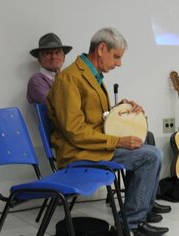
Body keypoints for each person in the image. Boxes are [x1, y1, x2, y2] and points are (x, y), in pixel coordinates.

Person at [47, 28, 169, 236]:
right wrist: (118, 141)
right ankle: (129, 223)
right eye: (116, 57)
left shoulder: (92, 75)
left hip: (91, 146)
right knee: (151, 156)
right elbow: (75, 131)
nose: (119, 63)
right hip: (78, 151)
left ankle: (144, 212)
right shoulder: (69, 79)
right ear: (102, 48)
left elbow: (95, 116)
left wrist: (121, 109)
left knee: (145, 138)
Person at [27, 33, 72, 104]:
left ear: (64, 58)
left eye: (57, 52)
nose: (53, 56)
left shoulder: (67, 78)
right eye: (48, 53)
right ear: (39, 59)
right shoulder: (36, 81)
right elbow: (55, 104)